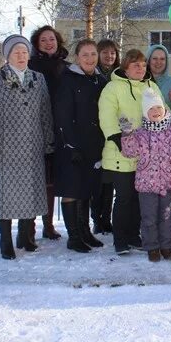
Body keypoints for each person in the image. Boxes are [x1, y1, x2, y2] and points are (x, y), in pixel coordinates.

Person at [0, 35, 54, 260]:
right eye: (16, 53)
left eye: (24, 52)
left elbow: (45, 112)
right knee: (6, 195)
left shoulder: (38, 79)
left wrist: (49, 141)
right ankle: (5, 240)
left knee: (30, 192)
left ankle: (25, 236)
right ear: (7, 56)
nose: (21, 57)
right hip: (6, 147)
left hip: (32, 146)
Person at [98, 49, 164, 255]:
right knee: (125, 197)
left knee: (139, 198)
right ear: (125, 68)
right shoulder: (112, 88)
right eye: (135, 65)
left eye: (143, 65)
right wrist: (118, 138)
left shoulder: (151, 86)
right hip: (121, 152)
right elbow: (107, 115)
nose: (140, 68)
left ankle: (134, 236)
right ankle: (120, 240)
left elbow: (163, 111)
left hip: (145, 154)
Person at [121, 88, 171, 262]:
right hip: (146, 186)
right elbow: (129, 152)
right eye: (151, 109)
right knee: (149, 218)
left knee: (166, 217)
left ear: (164, 110)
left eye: (159, 108)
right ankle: (151, 247)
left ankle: (166, 246)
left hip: (167, 185)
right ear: (145, 113)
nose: (156, 112)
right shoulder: (140, 135)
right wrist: (127, 135)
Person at [53, 39, 107, 253]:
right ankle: (73, 236)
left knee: (87, 188)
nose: (90, 59)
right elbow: (62, 115)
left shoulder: (100, 80)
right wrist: (70, 144)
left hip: (94, 143)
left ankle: (85, 231)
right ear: (77, 57)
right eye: (85, 55)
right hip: (72, 144)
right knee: (72, 189)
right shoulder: (67, 80)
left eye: (93, 54)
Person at [28, 25, 70, 240]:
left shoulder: (67, 67)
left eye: (51, 39)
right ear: (36, 44)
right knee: (36, 178)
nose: (48, 43)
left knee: (52, 182)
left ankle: (48, 224)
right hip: (36, 129)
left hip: (61, 129)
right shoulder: (30, 66)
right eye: (43, 40)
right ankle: (30, 225)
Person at [90, 39, 120, 233]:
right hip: (96, 133)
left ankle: (106, 218)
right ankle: (97, 219)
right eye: (105, 52)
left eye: (113, 53)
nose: (109, 56)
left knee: (109, 181)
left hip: (115, 133)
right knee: (97, 182)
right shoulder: (94, 75)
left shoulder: (118, 76)